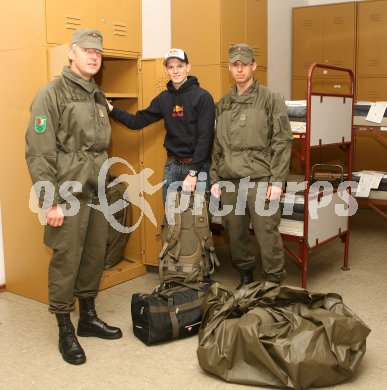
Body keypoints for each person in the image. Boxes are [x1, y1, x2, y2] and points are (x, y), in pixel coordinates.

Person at [25, 29, 122, 366]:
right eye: (87, 51)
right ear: (72, 53)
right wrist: (49, 201)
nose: (94, 56)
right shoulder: (51, 93)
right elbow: (39, 153)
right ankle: (64, 326)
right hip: (67, 194)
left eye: (98, 52)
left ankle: (88, 316)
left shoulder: (97, 94)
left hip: (96, 190)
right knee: (67, 259)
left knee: (94, 255)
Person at [210, 43, 293, 289]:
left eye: (244, 64)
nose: (239, 70)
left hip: (260, 178)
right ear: (229, 68)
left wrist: (277, 181)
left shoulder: (270, 99)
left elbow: (282, 141)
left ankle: (274, 282)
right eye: (235, 65)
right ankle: (246, 277)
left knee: (267, 232)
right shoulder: (223, 104)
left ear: (253, 66)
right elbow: (217, 146)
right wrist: (215, 178)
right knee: (234, 233)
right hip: (230, 179)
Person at [107, 48, 215, 203]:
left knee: (197, 223)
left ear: (188, 67)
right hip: (172, 167)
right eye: (171, 67)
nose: (175, 71)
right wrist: (110, 109)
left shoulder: (203, 97)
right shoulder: (163, 99)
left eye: (179, 66)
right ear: (165, 70)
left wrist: (193, 173)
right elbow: (136, 121)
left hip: (196, 168)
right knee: (171, 222)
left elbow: (205, 138)